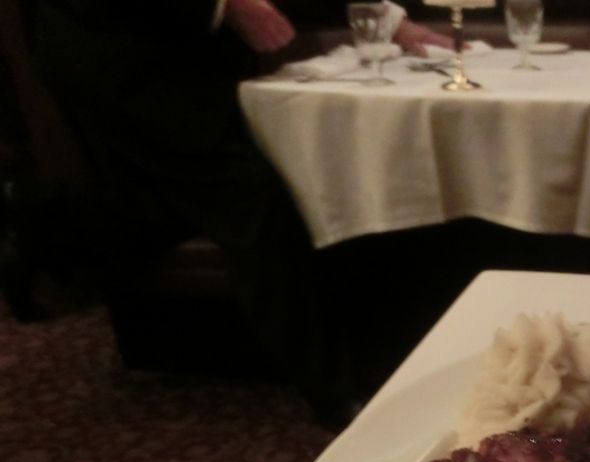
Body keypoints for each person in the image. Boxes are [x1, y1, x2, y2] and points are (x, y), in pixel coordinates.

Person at [28, 0, 451, 430]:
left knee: (169, 205)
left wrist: (391, 21)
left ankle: (56, 243)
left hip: (181, 61)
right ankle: (338, 396)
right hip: (121, 64)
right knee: (253, 205)